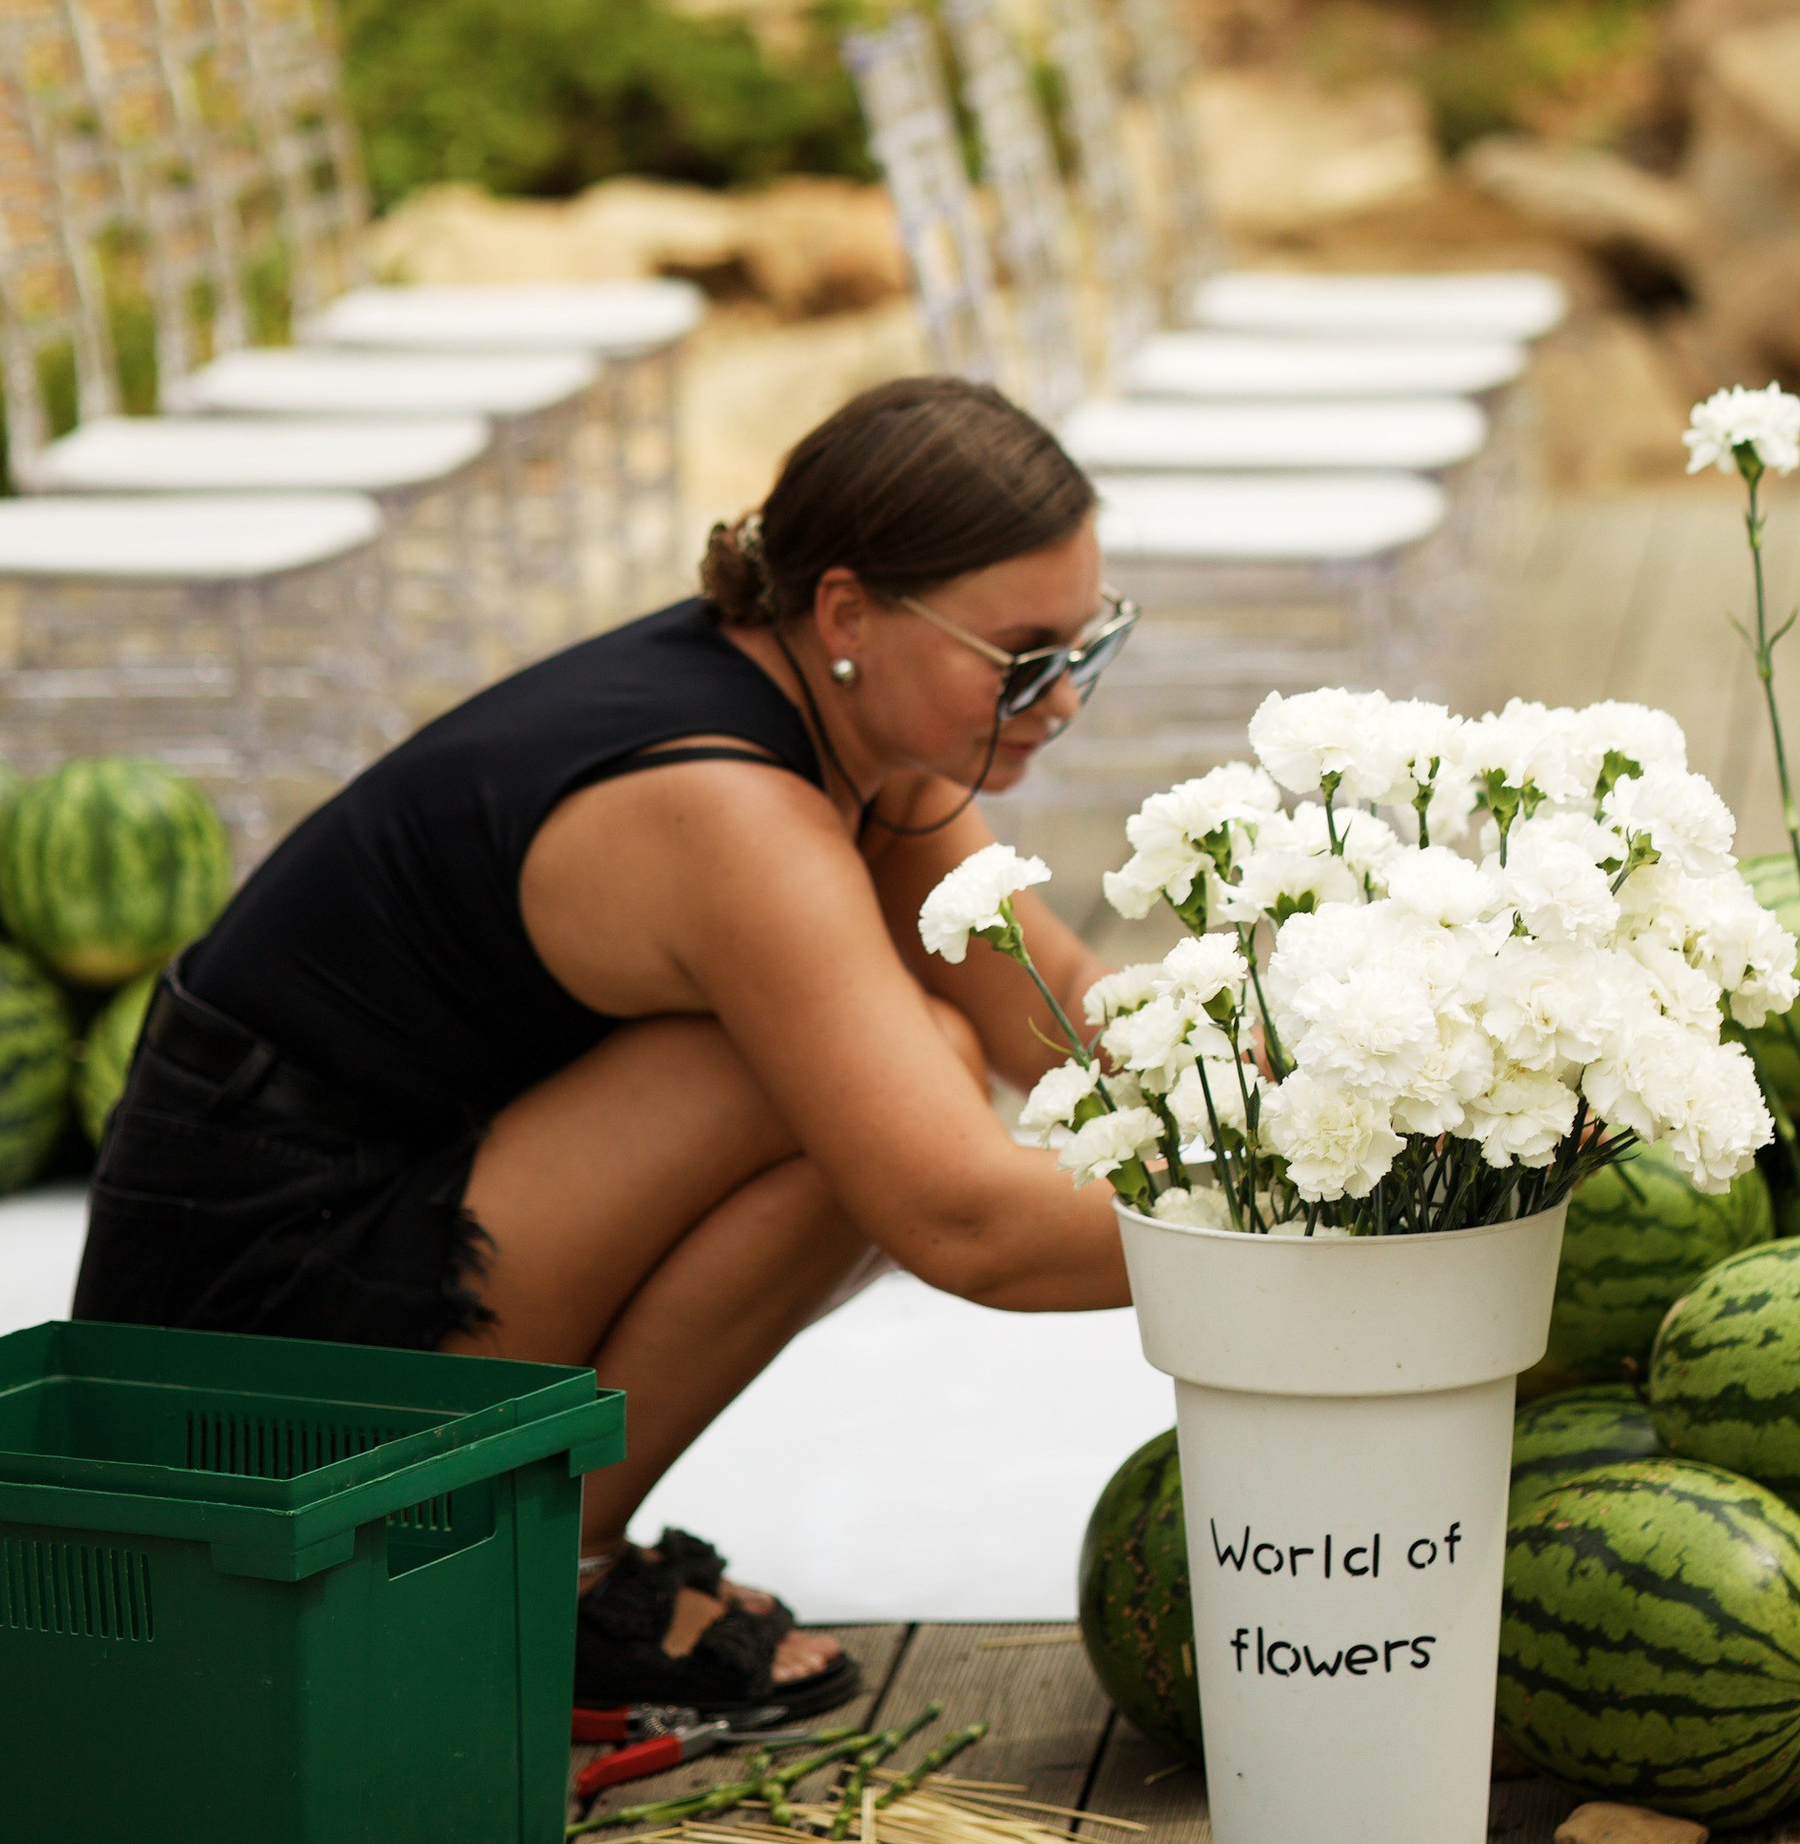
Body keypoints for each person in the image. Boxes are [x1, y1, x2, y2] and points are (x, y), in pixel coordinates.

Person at [75, 376, 1141, 1712]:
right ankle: (513, 1576)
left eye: (1088, 650)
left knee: (902, 1050)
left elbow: (1057, 1009)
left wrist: (1322, 1089)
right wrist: (1321, 1243)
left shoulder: (864, 728)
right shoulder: (726, 808)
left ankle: (535, 1543)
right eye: (1024, 659)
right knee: (848, 1090)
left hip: (404, 1202)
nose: (1062, 703)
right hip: (247, 1338)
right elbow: (962, 1223)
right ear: (848, 613)